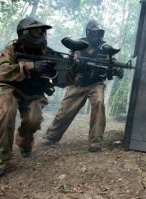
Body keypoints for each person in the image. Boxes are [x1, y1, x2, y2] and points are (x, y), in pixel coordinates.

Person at [42, 20, 123, 152]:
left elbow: (112, 63)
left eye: (99, 33)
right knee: (66, 110)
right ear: (89, 33)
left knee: (98, 103)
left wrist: (118, 69)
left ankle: (95, 142)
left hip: (96, 83)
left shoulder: (105, 47)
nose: (97, 36)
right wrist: (76, 66)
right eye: (94, 33)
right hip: (78, 83)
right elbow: (70, 64)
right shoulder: (78, 44)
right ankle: (51, 137)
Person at [0, 17, 59, 177]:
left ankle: (24, 141)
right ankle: (2, 159)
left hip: (33, 92)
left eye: (41, 30)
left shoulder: (49, 53)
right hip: (10, 88)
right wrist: (32, 66)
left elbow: (62, 79)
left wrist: (73, 70)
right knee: (7, 112)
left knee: (34, 120)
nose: (39, 33)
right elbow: (2, 71)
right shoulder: (11, 49)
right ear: (24, 32)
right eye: (35, 30)